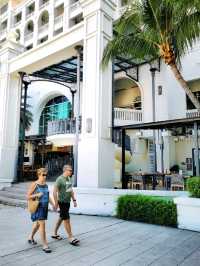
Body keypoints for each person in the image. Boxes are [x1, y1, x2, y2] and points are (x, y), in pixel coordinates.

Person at [27, 168, 55, 253]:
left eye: (46, 175)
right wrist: (37, 194)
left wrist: (53, 204)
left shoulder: (45, 185)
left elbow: (48, 196)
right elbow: (28, 196)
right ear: (39, 174)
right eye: (43, 175)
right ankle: (45, 245)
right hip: (38, 207)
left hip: (45, 207)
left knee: (37, 225)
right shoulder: (35, 184)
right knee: (42, 225)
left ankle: (30, 237)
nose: (45, 176)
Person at [52, 164, 79, 246]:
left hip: (67, 202)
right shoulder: (59, 179)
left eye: (71, 170)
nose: (71, 172)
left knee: (61, 217)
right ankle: (71, 237)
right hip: (62, 202)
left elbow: (70, 190)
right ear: (65, 170)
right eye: (70, 170)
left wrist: (74, 200)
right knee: (66, 219)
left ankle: (55, 233)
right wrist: (56, 203)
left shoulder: (68, 178)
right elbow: (54, 192)